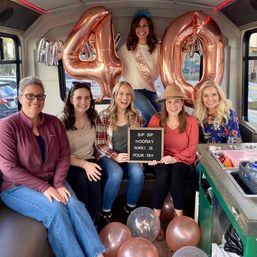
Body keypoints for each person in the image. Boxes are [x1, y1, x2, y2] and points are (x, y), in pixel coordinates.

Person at [0, 77, 105, 257]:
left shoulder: (53, 123)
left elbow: (64, 155)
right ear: (19, 98)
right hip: (17, 187)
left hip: (52, 180)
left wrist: (58, 183)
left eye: (40, 96)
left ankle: (97, 253)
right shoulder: (8, 125)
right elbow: (8, 168)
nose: (36, 101)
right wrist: (44, 187)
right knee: (55, 209)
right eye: (30, 96)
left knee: (74, 204)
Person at [148, 83, 199, 240]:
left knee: (176, 171)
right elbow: (148, 143)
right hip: (161, 160)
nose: (173, 105)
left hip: (182, 160)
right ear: (165, 104)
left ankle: (179, 219)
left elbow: (192, 149)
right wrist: (150, 156)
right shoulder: (156, 119)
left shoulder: (191, 121)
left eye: (177, 101)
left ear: (182, 103)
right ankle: (155, 220)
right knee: (163, 174)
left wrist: (175, 158)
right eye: (169, 102)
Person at [95, 81, 144, 226]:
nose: (125, 97)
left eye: (128, 94)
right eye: (121, 94)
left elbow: (141, 140)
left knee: (138, 173)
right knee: (116, 173)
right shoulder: (104, 115)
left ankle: (130, 209)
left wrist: (140, 156)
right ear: (115, 96)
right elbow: (100, 145)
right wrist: (116, 156)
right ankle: (105, 212)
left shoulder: (136, 115)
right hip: (108, 156)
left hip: (129, 155)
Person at [59, 81, 102, 226]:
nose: (83, 102)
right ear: (71, 99)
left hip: (90, 160)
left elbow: (102, 141)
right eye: (78, 98)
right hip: (70, 162)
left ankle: (94, 222)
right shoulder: (61, 121)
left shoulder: (94, 116)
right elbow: (60, 154)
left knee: (95, 183)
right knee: (81, 181)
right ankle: (83, 223)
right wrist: (84, 165)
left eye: (87, 98)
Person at [118, 10, 161, 126]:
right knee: (153, 118)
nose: (141, 29)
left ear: (149, 27)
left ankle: (150, 142)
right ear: (134, 28)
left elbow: (168, 65)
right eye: (138, 26)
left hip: (151, 91)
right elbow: (110, 64)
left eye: (144, 26)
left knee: (164, 118)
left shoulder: (158, 48)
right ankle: (144, 142)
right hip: (134, 91)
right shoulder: (125, 49)